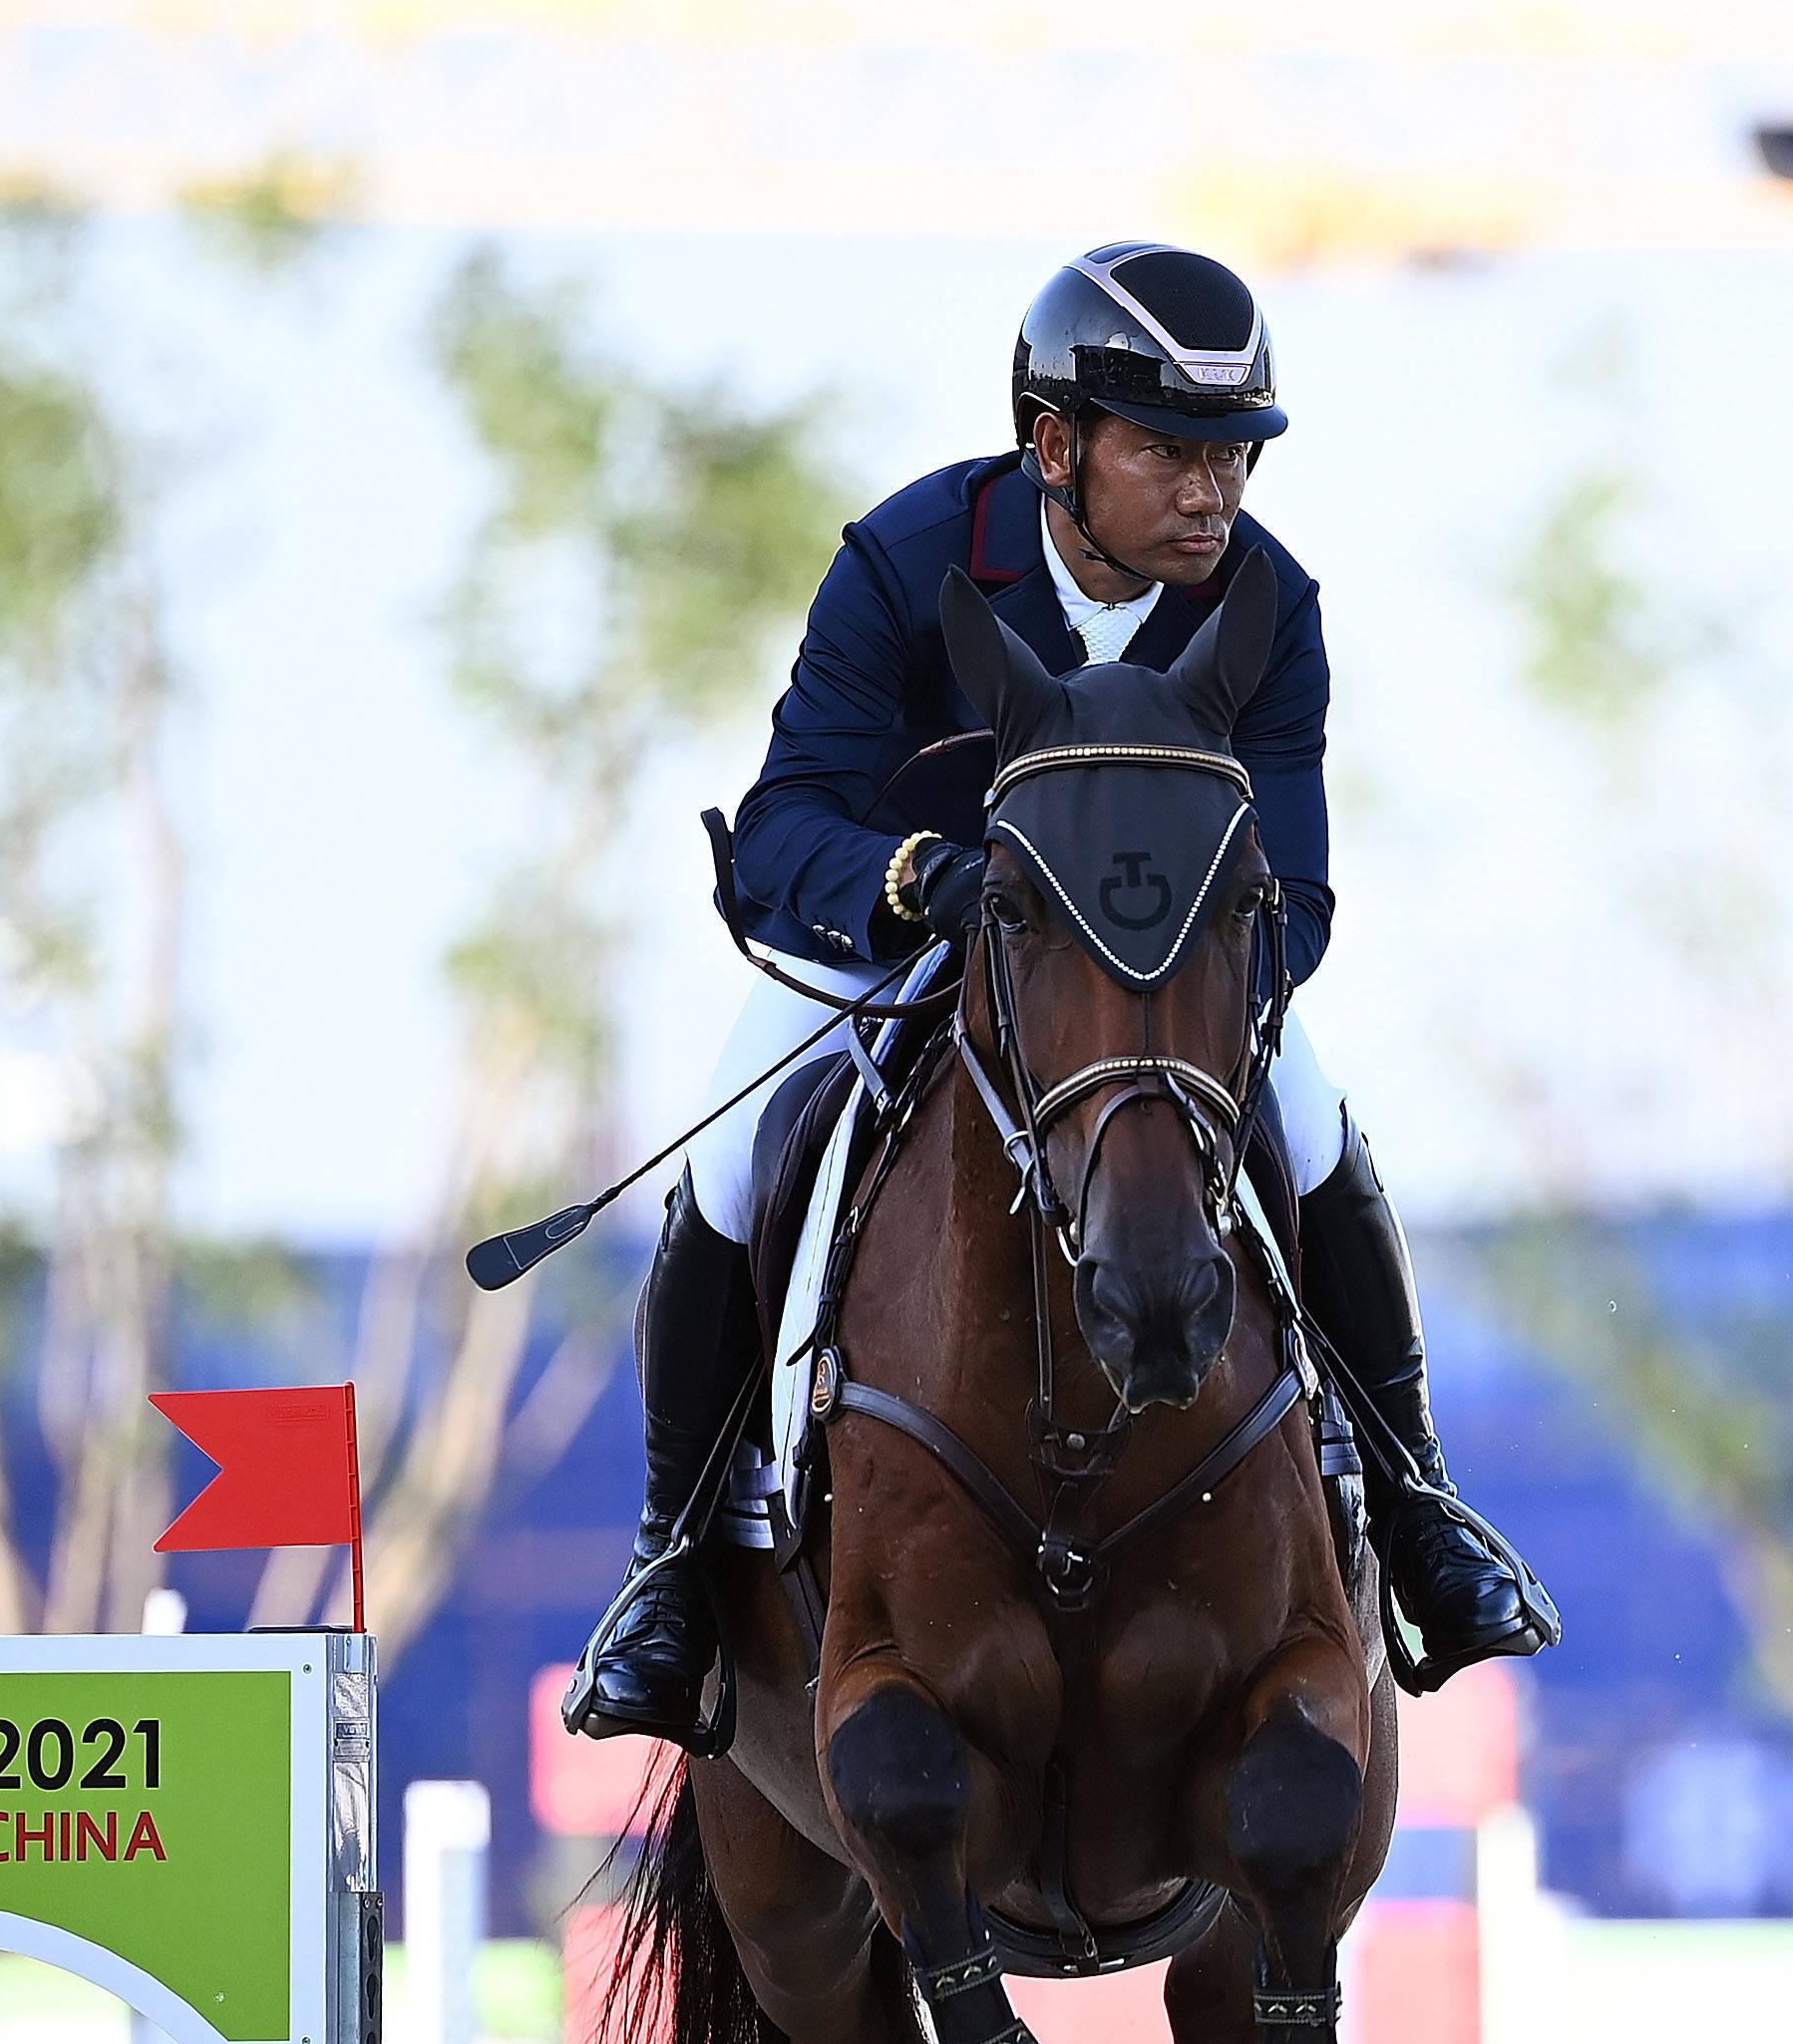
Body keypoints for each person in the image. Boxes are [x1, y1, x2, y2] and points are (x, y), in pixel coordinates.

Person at [572, 242, 1551, 1745]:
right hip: (898, 953)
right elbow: (782, 828)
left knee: (1316, 1116)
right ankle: (668, 1563)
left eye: (1232, 457)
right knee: (731, 1146)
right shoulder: (908, 561)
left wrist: (1167, 1005)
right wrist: (927, 888)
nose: (1212, 494)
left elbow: (1295, 893)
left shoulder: (1266, 609)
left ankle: (1417, 1502)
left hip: (1154, 1004)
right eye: (1170, 451)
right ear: (1055, 446)